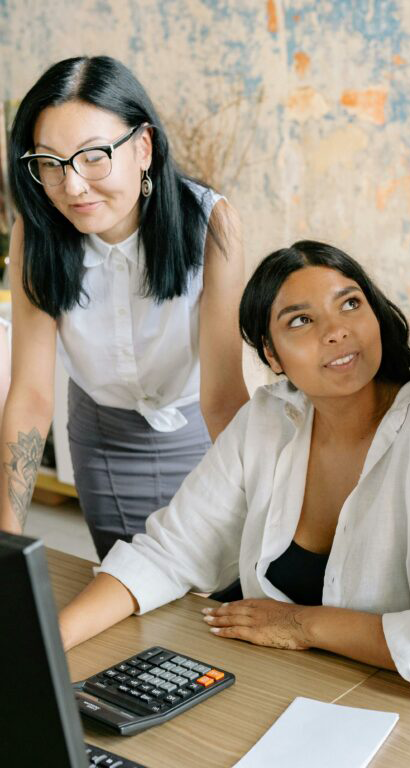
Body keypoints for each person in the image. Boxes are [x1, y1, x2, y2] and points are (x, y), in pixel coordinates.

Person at [58, 240, 410, 700]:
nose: (336, 331)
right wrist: (51, 642)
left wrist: (302, 626)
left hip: (408, 701)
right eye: (301, 320)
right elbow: (169, 552)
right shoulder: (266, 418)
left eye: (350, 304)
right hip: (282, 687)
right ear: (272, 354)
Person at [1, 56, 249, 557]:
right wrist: (7, 542)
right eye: (50, 162)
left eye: (93, 156)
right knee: (119, 582)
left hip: (200, 437)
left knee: (217, 587)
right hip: (102, 443)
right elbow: (30, 395)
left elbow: (222, 398)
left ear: (143, 147)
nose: (72, 185)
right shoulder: (36, 232)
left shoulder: (209, 224)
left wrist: (256, 506)